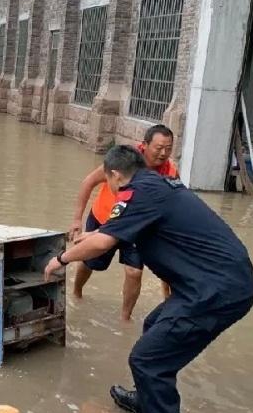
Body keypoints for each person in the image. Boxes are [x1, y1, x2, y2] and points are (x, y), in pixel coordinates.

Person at [46, 145, 253, 413]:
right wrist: (91, 233)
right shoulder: (154, 185)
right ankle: (147, 402)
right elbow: (111, 231)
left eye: (108, 183)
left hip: (215, 291)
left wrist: (60, 260)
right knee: (156, 324)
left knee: (148, 360)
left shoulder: (137, 193)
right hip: (212, 283)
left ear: (114, 175)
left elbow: (103, 244)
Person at [69, 124, 178, 321]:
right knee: (89, 262)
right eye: (159, 147)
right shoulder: (124, 161)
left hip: (137, 228)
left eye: (168, 148)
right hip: (103, 218)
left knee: (134, 272)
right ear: (145, 145)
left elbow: (171, 209)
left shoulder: (169, 172)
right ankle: (77, 292)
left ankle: (125, 318)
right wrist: (77, 219)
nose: (164, 153)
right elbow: (88, 182)